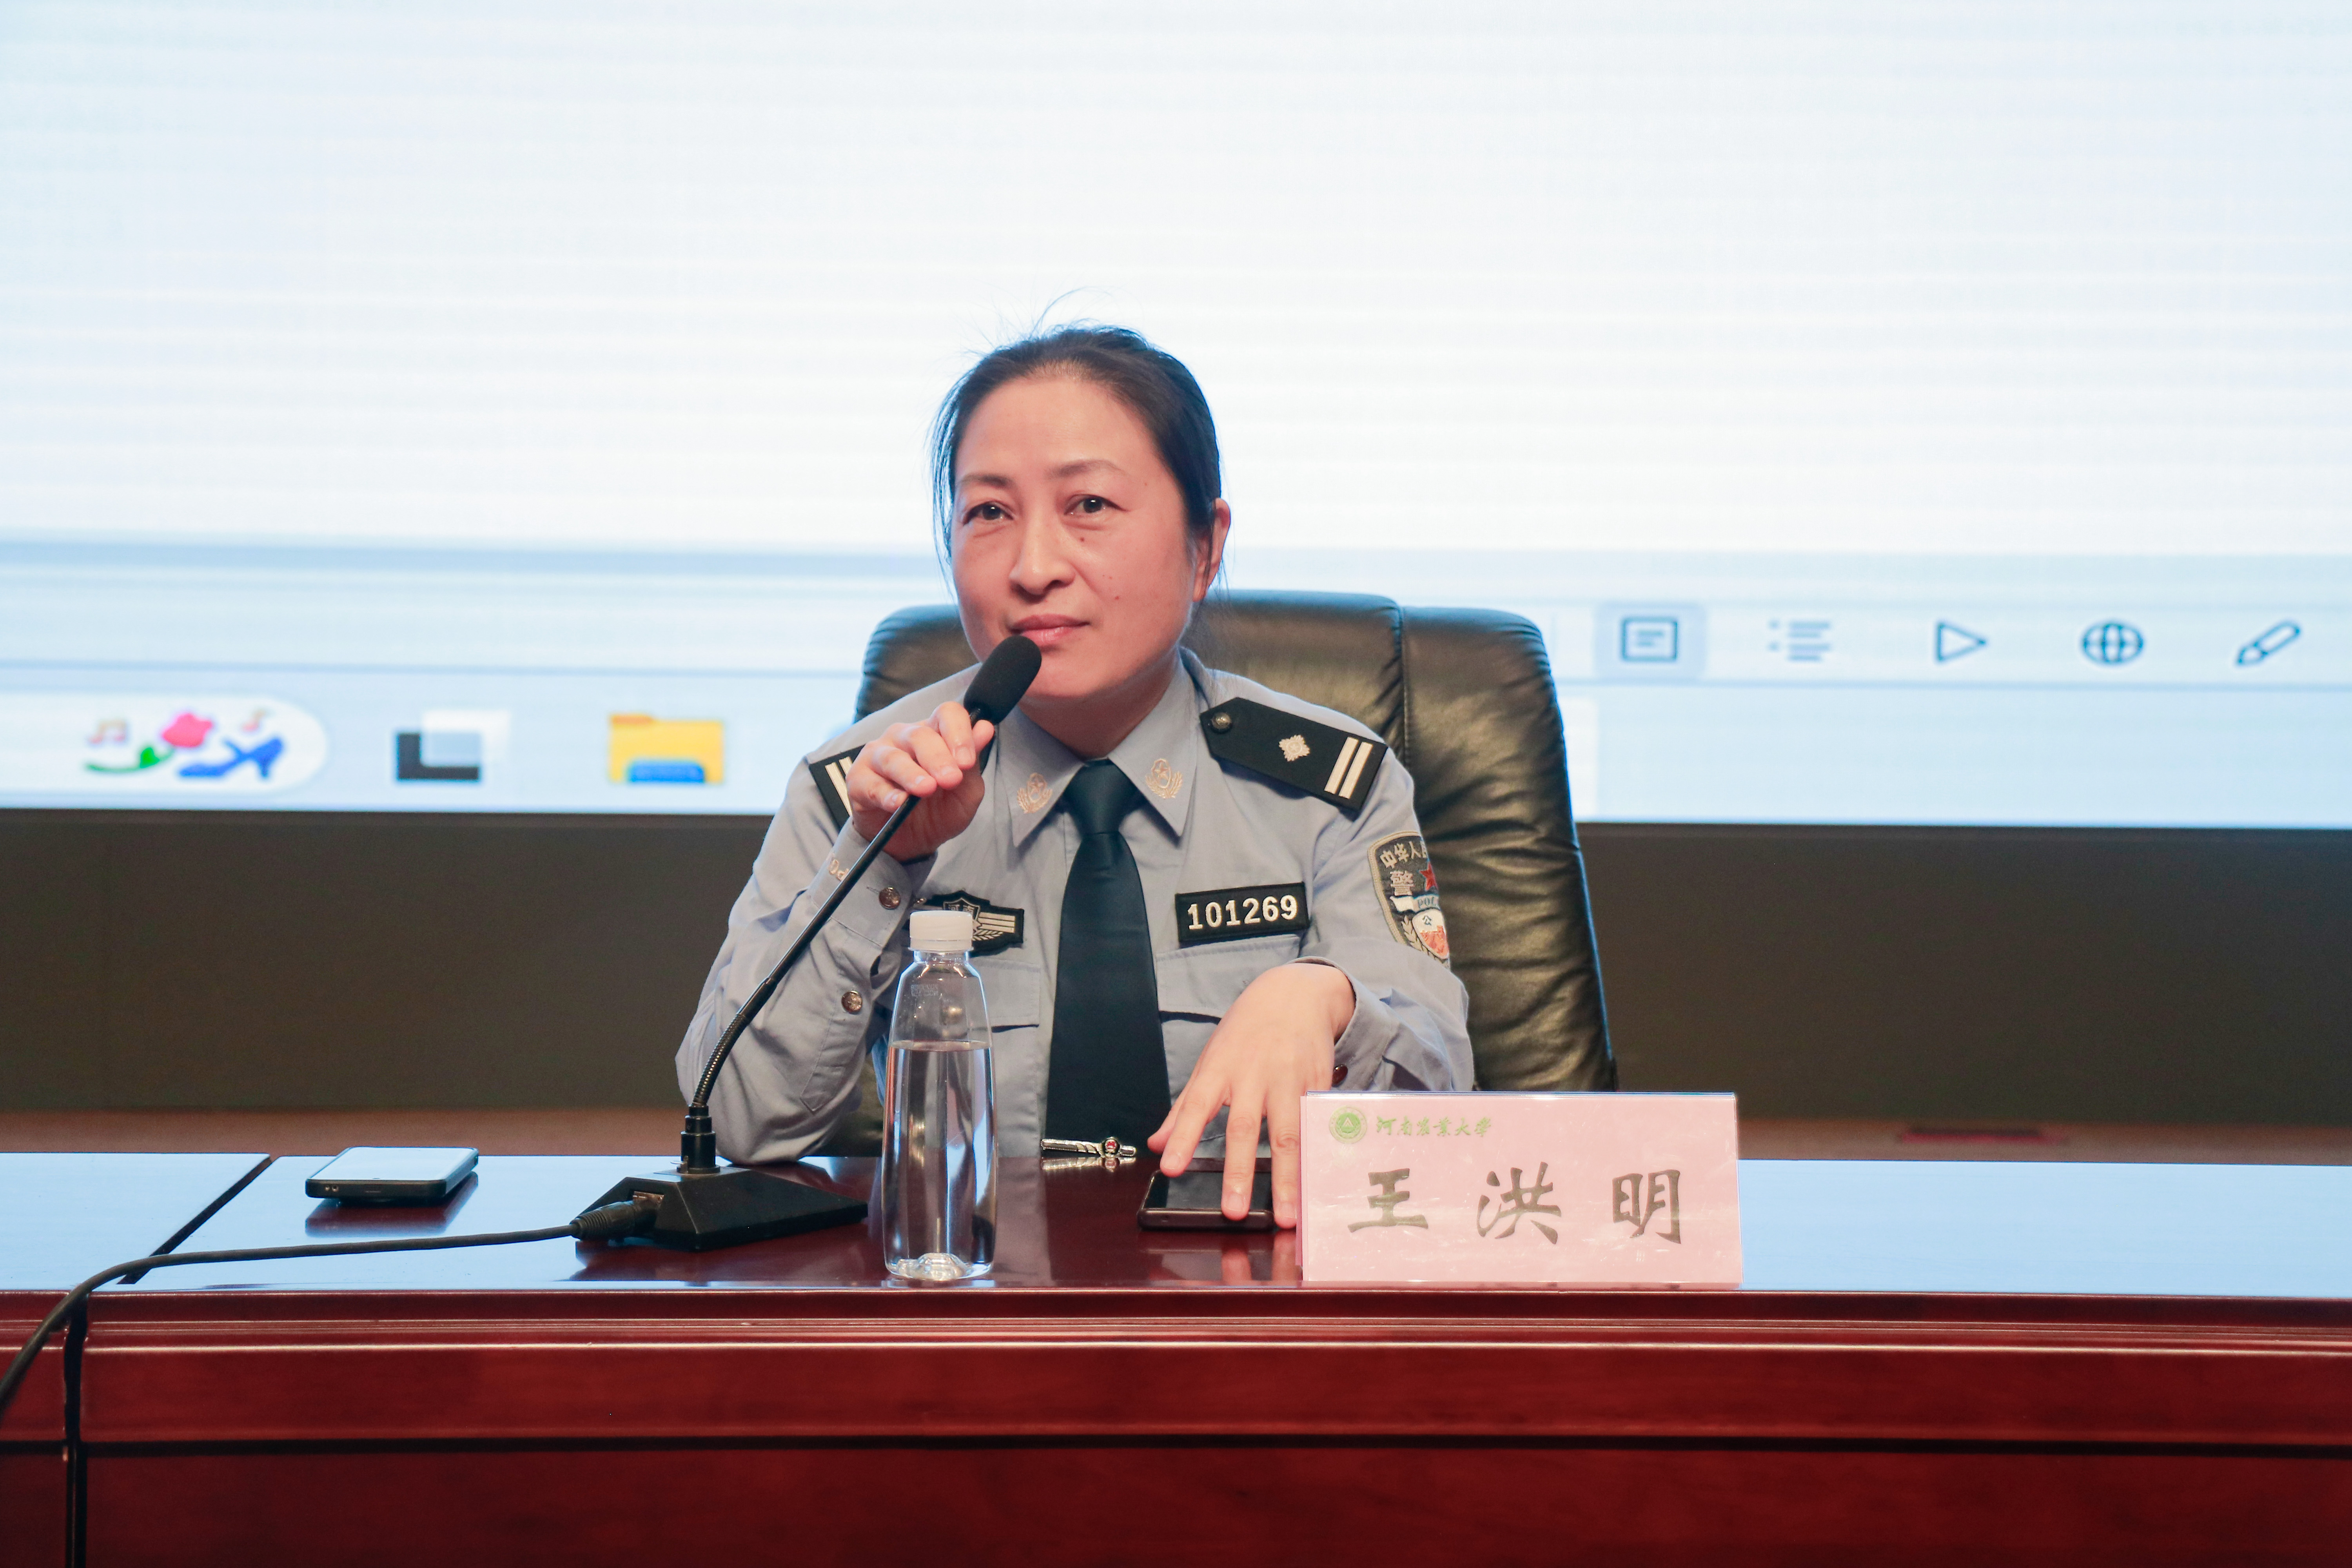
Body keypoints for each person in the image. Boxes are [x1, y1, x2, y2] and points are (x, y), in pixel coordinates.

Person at [677, 325, 1471, 1227]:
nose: (1034, 568)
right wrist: (882, 860)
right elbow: (740, 1123)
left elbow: (1446, 1104)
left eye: (1089, 504)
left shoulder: (1328, 787)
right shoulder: (861, 789)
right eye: (989, 512)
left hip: (1249, 1291)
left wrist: (1328, 997)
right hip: (966, 1287)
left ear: (1205, 547)